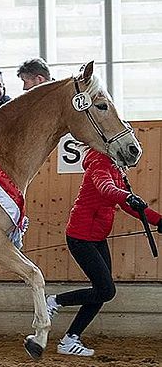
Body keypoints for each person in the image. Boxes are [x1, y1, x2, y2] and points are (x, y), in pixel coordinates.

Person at [46, 148, 162, 356]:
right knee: (106, 291)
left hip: (96, 237)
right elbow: (106, 189)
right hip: (81, 237)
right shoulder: (99, 162)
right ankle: (54, 301)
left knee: (101, 291)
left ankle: (69, 339)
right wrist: (127, 196)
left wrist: (158, 220)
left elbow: (127, 205)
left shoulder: (115, 167)